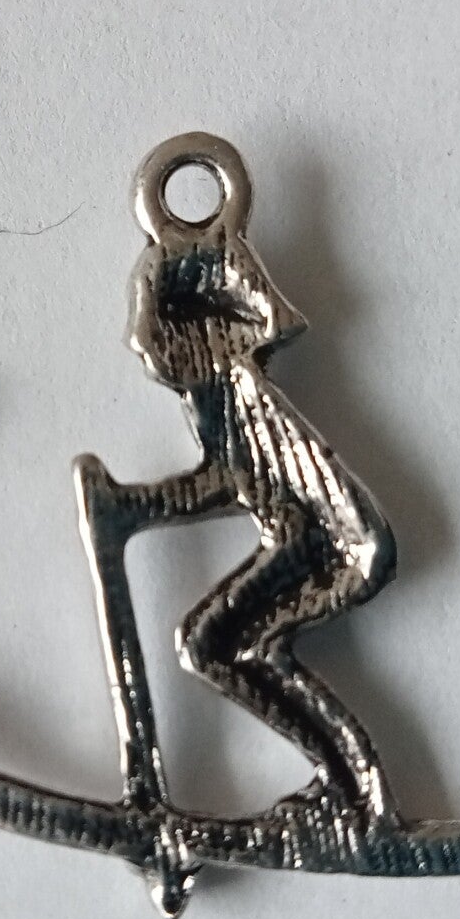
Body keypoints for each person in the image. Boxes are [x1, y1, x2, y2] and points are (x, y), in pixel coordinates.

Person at [98, 192, 398, 824]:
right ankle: (349, 787)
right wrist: (129, 508)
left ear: (192, 333)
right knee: (229, 648)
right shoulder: (217, 398)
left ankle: (355, 790)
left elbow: (228, 485)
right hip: (314, 544)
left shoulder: (240, 394)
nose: (137, 342)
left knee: (209, 644)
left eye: (150, 323)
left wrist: (130, 508)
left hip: (339, 549)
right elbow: (225, 479)